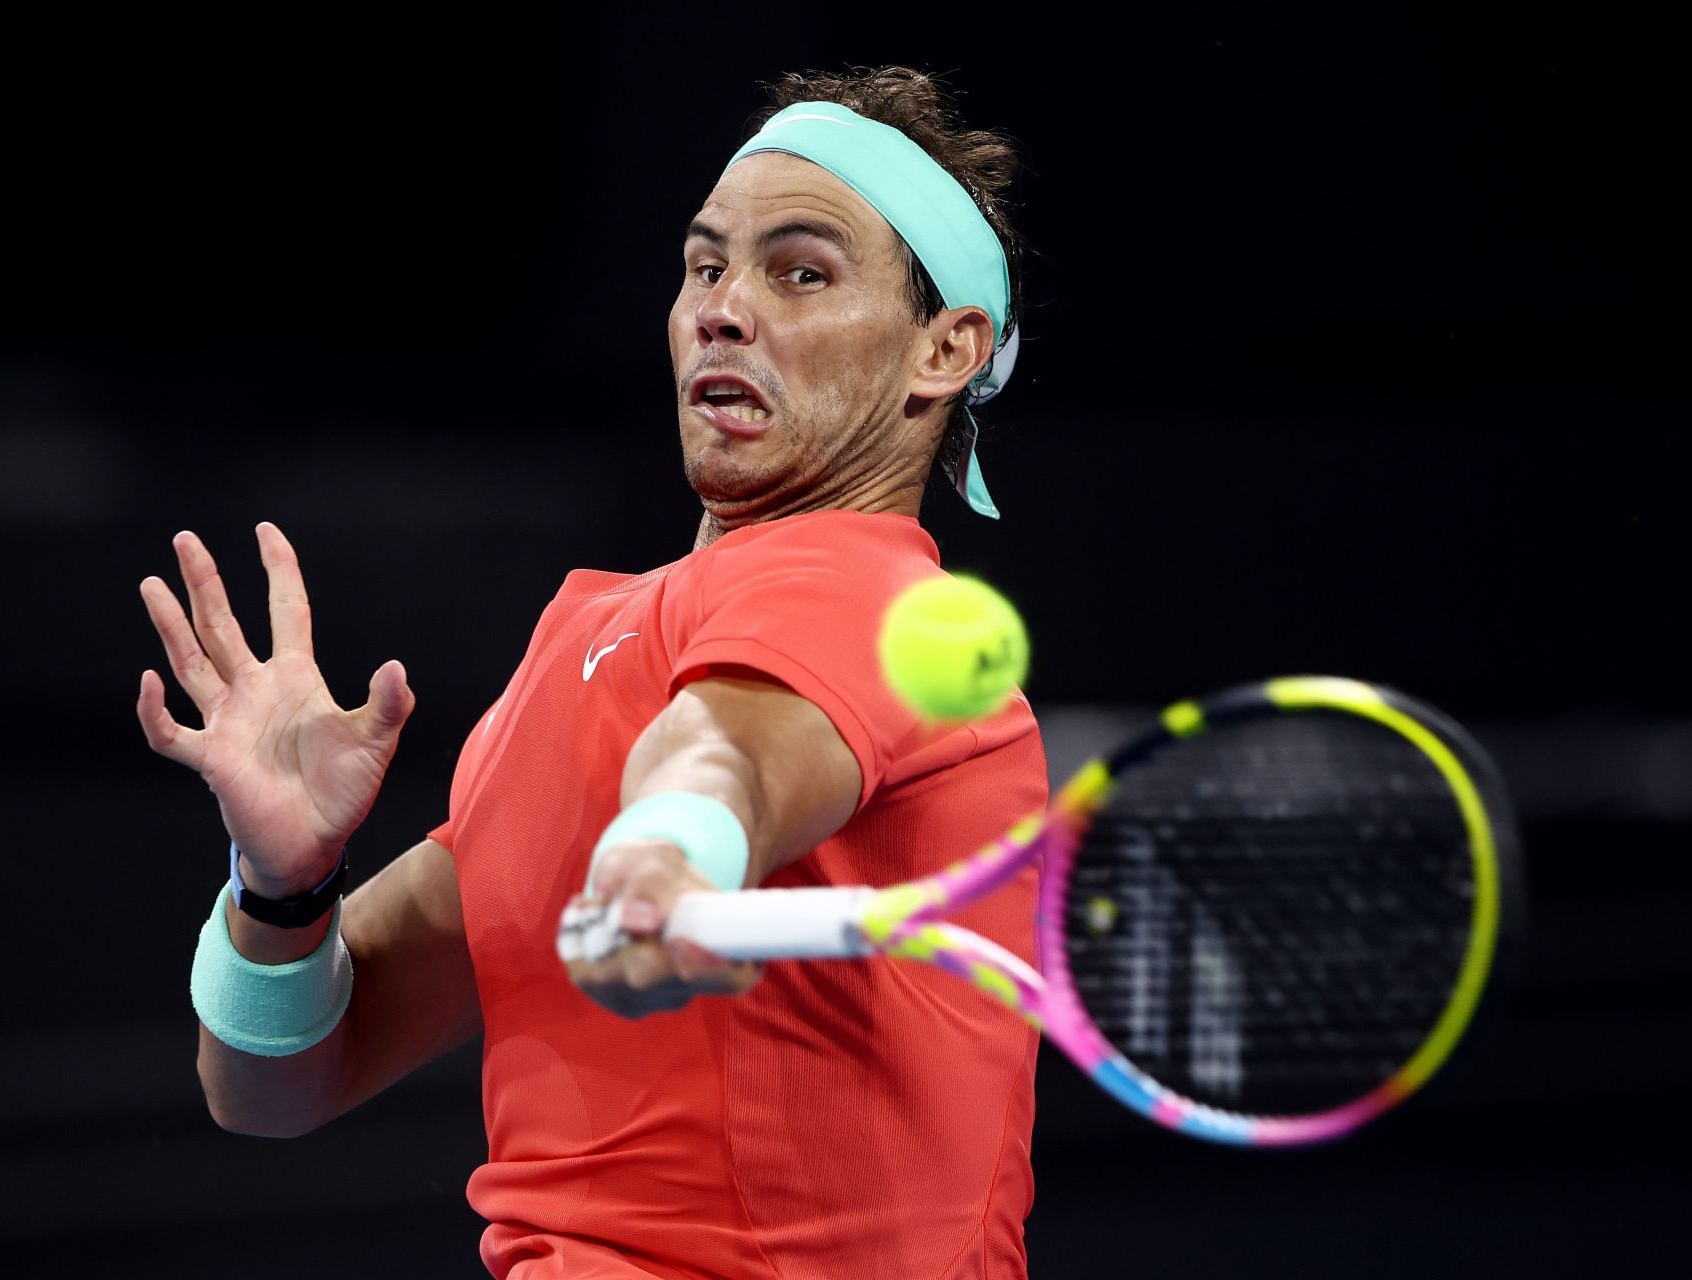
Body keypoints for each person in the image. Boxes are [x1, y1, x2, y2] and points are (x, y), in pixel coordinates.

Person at [137, 67, 1046, 1279]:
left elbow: (728, 756)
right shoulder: (588, 641)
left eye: (800, 271)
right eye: (705, 265)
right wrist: (283, 890)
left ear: (945, 349)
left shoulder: (884, 598)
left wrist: (667, 849)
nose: (723, 308)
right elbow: (273, 1087)